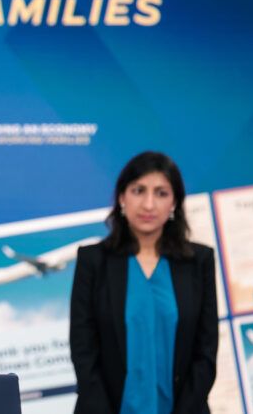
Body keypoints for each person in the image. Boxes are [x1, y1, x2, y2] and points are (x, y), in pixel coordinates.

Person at [70, 151, 217, 414]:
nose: (149, 205)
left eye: (161, 193)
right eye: (139, 190)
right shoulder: (93, 261)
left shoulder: (199, 261)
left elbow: (205, 354)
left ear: (174, 203)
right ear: (122, 197)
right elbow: (84, 352)